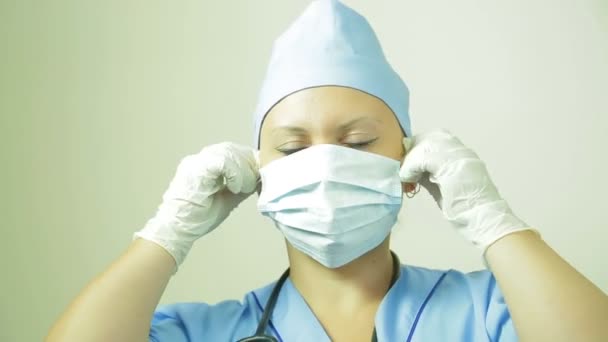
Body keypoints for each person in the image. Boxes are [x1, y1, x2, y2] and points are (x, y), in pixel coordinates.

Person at [46, 1, 608, 341]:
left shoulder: (492, 311)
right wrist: (167, 232)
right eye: (292, 149)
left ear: (411, 167)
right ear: (255, 176)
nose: (324, 164)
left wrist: (493, 221)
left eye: (358, 141)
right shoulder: (204, 333)